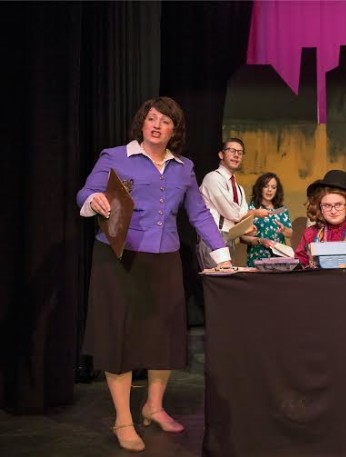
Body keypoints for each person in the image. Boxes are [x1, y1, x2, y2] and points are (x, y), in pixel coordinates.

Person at [76, 97, 232, 452]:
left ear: (174, 130)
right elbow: (85, 192)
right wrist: (95, 201)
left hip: (164, 260)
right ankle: (123, 419)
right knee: (121, 338)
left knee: (165, 336)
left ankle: (154, 406)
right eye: (151, 119)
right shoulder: (116, 156)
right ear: (142, 124)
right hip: (119, 260)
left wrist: (221, 255)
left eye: (164, 121)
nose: (156, 125)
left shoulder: (184, 168)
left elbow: (199, 214)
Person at [197, 138, 270, 267]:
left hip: (230, 238)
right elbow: (233, 214)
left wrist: (246, 228)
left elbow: (239, 215)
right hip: (213, 235)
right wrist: (254, 212)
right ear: (221, 155)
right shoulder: (213, 178)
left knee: (227, 282)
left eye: (240, 152)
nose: (236, 155)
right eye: (232, 151)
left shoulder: (239, 188)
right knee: (215, 282)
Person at [240, 172, 293, 267]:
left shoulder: (281, 209)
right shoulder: (252, 209)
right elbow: (242, 237)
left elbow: (290, 234)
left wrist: (284, 229)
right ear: (260, 188)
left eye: (273, 187)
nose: (269, 190)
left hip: (278, 259)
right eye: (266, 186)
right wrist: (259, 239)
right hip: (257, 257)